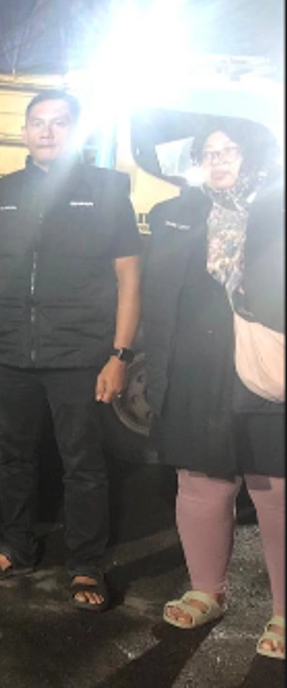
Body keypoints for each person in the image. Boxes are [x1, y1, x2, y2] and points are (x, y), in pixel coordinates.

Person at [0, 90, 141, 612]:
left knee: (82, 462)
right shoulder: (1, 193)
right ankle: (16, 546)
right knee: (12, 456)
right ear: (24, 132)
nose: (47, 131)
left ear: (76, 131)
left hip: (80, 353)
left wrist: (120, 355)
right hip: (10, 353)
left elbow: (129, 278)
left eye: (59, 122)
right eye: (37, 123)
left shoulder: (107, 190)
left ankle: (86, 562)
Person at [144, 122, 284, 659]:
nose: (218, 160)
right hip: (195, 369)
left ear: (255, 155)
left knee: (275, 487)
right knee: (201, 480)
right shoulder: (175, 213)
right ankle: (207, 590)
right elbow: (161, 299)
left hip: (266, 364)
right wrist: (159, 375)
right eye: (208, 152)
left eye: (230, 151)